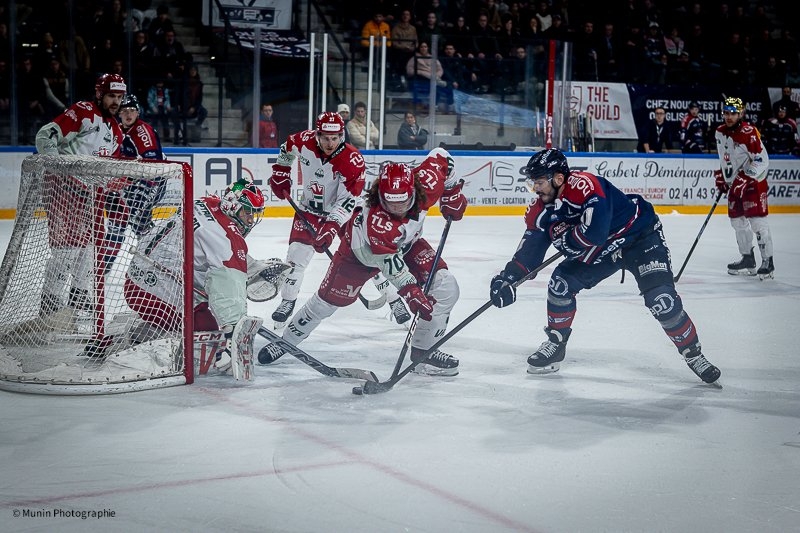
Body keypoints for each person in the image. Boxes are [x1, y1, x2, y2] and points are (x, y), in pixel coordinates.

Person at [488, 148, 721, 385]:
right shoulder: (541, 211)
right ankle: (556, 343)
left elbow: (595, 232)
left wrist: (569, 241)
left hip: (640, 238)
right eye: (533, 183)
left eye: (539, 182)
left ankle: (693, 353)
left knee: (661, 300)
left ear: (558, 179)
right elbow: (530, 251)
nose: (535, 189)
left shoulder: (585, 186)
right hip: (604, 250)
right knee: (560, 284)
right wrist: (509, 278)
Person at [259, 148, 469, 376]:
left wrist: (452, 192)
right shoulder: (377, 222)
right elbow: (391, 265)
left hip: (407, 245)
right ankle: (285, 342)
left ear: (414, 190)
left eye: (403, 202)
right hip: (358, 255)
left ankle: (423, 353)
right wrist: (411, 292)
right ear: (379, 195)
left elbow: (441, 155)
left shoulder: (428, 181)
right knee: (325, 303)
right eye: (390, 204)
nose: (397, 209)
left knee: (446, 286)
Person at [269, 112, 410, 327]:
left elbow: (348, 200)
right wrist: (280, 171)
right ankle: (287, 301)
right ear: (317, 134)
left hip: (347, 214)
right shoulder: (303, 141)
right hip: (310, 210)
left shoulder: (352, 160)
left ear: (341, 135)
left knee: (368, 258)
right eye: (325, 138)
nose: (330, 143)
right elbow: (286, 148)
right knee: (295, 259)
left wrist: (331, 227)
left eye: (334, 138)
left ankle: (394, 299)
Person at [124, 178, 267, 373]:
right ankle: (145, 343)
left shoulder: (205, 202)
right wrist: (233, 333)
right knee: (209, 335)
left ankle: (145, 332)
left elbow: (216, 251)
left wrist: (253, 266)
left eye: (254, 213)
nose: (250, 220)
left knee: (204, 299)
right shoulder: (226, 238)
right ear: (233, 205)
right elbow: (228, 280)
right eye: (247, 212)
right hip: (155, 294)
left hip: (137, 278)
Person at [34, 73, 126, 315]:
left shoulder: (116, 131)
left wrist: (118, 183)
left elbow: (107, 171)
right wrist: (57, 167)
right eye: (111, 96)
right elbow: (45, 135)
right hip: (63, 189)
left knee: (91, 247)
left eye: (119, 97)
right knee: (66, 248)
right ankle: (50, 298)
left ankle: (79, 293)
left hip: (90, 196)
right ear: (99, 94)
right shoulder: (84, 112)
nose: (116, 102)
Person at [713, 97, 774, 279]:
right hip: (735, 185)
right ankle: (748, 258)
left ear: (740, 114)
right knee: (737, 222)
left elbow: (762, 159)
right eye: (726, 113)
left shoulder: (749, 132)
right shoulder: (720, 132)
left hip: (753, 183)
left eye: (733, 113)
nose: (729, 117)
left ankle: (768, 261)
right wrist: (723, 176)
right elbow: (725, 158)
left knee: (757, 222)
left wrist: (746, 177)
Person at [117, 94, 168, 238]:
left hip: (153, 179)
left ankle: (149, 240)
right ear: (119, 113)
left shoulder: (141, 132)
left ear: (138, 112)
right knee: (136, 220)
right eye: (124, 110)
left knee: (137, 216)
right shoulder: (117, 130)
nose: (128, 114)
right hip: (134, 180)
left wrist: (142, 188)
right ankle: (149, 238)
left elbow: (153, 164)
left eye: (132, 110)